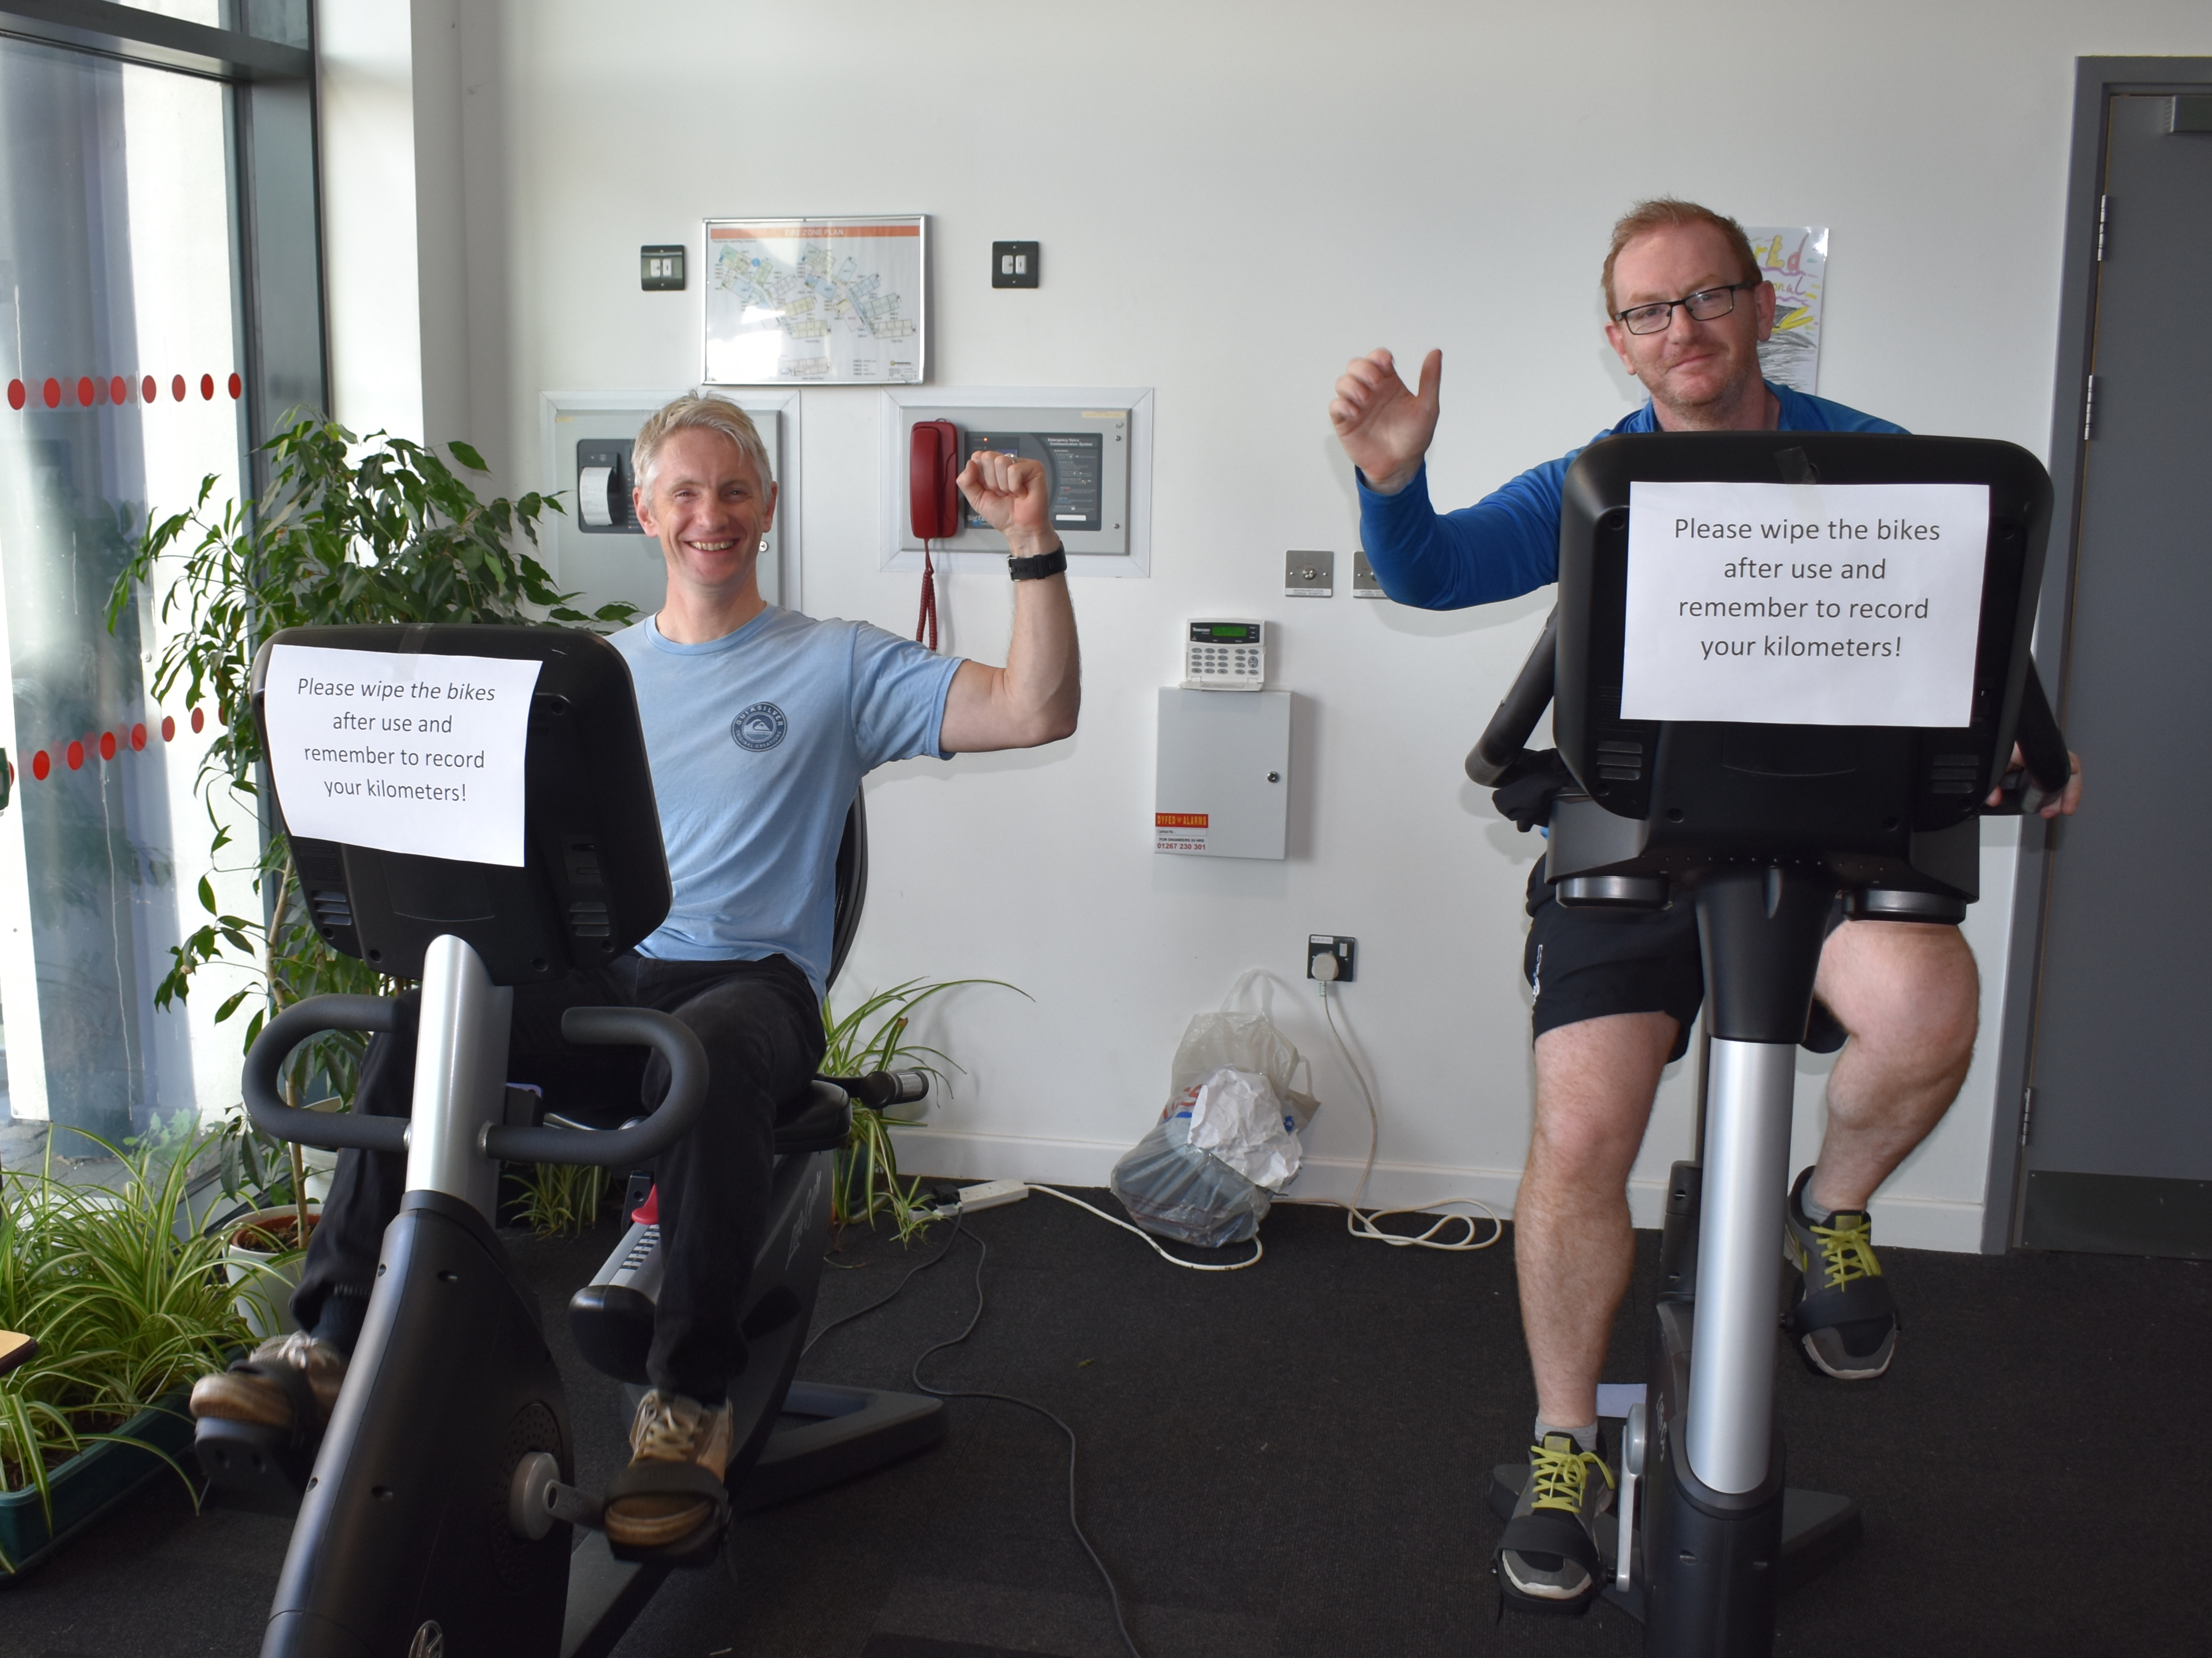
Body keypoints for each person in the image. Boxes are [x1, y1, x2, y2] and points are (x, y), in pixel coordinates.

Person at [1328, 199, 2082, 1613]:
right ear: (1616, 339)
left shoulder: (1872, 456)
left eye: (1708, 298)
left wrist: (2029, 740)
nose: (1683, 330)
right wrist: (1391, 478)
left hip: (1828, 839)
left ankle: (1829, 1206)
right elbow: (1425, 572)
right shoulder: (1590, 478)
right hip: (1630, 841)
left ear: (1759, 304)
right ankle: (1567, 1442)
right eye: (1649, 311)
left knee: (1924, 1011)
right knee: (1581, 1129)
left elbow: (1970, 616)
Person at [191, 394, 1081, 1552]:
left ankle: (687, 1408)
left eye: (734, 491)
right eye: (686, 492)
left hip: (748, 987)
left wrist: (1029, 543)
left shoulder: (835, 662)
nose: (712, 515)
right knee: (428, 1022)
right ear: (643, 509)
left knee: (704, 1056)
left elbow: (1036, 707)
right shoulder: (583, 684)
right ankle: (324, 1344)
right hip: (609, 985)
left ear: (766, 508)